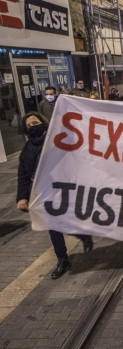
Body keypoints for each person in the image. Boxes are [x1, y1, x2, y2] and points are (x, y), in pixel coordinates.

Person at [16, 112, 93, 279]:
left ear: (43, 123)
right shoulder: (26, 150)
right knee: (52, 226)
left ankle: (83, 235)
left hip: (62, 189)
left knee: (66, 219)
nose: (32, 127)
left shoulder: (56, 141)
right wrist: (22, 197)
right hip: (43, 193)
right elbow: (22, 175)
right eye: (28, 126)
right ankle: (62, 259)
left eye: (35, 123)